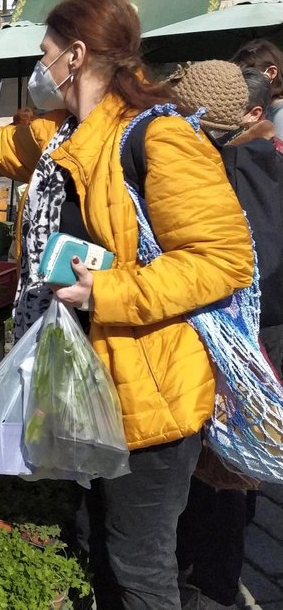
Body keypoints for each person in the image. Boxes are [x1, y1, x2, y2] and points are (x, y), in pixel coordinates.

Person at [0, 0, 254, 610]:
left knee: (139, 563)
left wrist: (106, 289)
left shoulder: (156, 137)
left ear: (75, 55)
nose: (39, 65)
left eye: (45, 51)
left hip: (149, 389)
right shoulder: (62, 133)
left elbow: (222, 261)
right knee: (93, 541)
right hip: (88, 381)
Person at [170, 61, 283, 610]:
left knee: (210, 479)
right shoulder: (272, 165)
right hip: (267, 347)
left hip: (225, 349)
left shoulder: (212, 175)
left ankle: (205, 585)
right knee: (238, 475)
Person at [231, 38, 283, 140]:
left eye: (249, 74)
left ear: (271, 72)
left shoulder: (279, 115)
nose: (243, 80)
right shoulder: (268, 108)